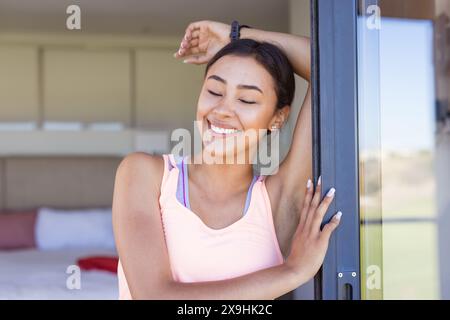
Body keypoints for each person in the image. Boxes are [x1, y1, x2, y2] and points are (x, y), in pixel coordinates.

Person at [112, 20, 342, 299]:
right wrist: (292, 272)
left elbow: (332, 65)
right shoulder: (145, 174)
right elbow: (153, 296)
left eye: (246, 100)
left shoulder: (277, 200)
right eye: (214, 91)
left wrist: (238, 36)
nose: (222, 110)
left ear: (278, 117)